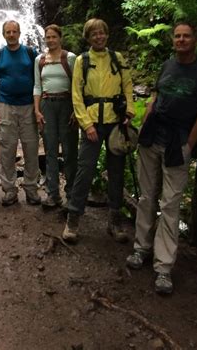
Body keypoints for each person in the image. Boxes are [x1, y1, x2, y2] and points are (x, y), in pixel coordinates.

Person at [126, 21, 197, 295]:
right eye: (177, 36)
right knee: (146, 196)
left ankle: (163, 267)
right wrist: (144, 122)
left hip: (179, 142)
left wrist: (190, 144)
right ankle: (141, 248)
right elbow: (155, 97)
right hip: (153, 137)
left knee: (170, 204)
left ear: (195, 40)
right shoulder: (167, 65)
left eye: (186, 36)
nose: (181, 40)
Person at [62, 18, 135, 243]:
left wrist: (130, 110)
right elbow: (76, 95)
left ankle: (114, 221)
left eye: (102, 33)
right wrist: (87, 124)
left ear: (107, 34)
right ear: (88, 37)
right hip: (92, 123)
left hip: (115, 123)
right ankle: (72, 220)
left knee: (116, 172)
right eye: (94, 34)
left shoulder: (117, 58)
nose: (99, 37)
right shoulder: (83, 61)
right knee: (85, 171)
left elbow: (127, 86)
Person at [0, 20, 41, 207]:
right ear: (3, 34)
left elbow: (38, 81)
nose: (11, 35)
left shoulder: (30, 53)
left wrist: (38, 108)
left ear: (19, 33)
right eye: (8, 32)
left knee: (31, 149)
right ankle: (9, 190)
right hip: (6, 106)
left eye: (14, 31)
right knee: (7, 150)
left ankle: (31, 189)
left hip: (28, 106)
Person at [34, 24, 78, 208]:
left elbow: (78, 85)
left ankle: (71, 194)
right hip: (46, 105)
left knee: (69, 151)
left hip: (67, 104)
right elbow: (37, 86)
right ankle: (53, 194)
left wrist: (77, 110)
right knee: (50, 150)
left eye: (54, 37)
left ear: (60, 38)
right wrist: (37, 110)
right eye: (48, 37)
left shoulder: (70, 58)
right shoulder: (40, 59)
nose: (50, 40)